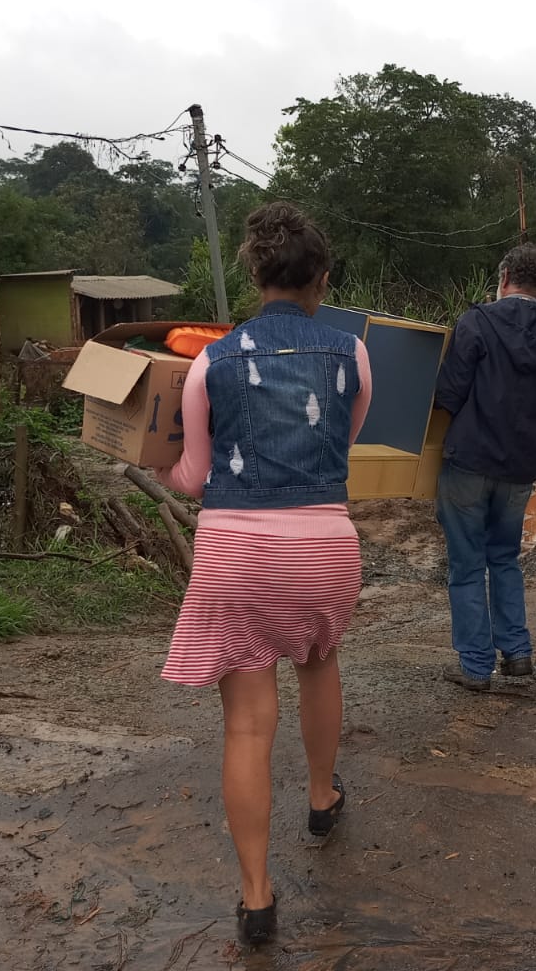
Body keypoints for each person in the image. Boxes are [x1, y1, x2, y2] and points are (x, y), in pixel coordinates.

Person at [158, 202, 373, 948]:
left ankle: (255, 898)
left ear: (254, 273)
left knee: (247, 721)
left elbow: (191, 476)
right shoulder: (353, 352)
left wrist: (165, 456)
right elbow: (340, 444)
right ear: (321, 278)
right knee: (320, 661)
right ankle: (322, 796)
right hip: (323, 544)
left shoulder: (210, 361)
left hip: (236, 550)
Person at [433, 243, 536, 692]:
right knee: (505, 558)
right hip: (519, 465)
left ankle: (476, 668)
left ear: (506, 275)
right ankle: (517, 653)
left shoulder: (476, 322)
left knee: (467, 564)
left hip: (469, 462)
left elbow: (449, 394)